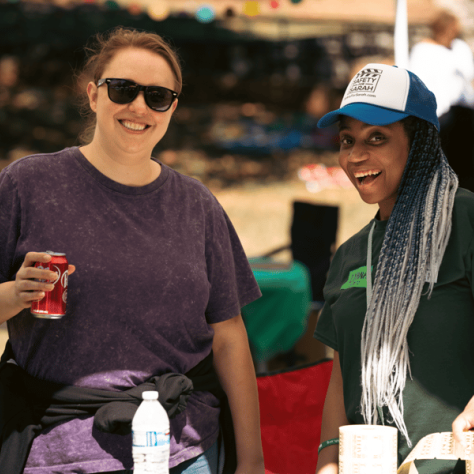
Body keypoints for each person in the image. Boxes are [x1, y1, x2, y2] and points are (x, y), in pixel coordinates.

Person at [0, 26, 265, 474]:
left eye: (158, 96)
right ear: (93, 95)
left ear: (172, 108)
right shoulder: (28, 185)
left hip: (186, 448)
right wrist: (13, 295)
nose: (139, 107)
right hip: (58, 450)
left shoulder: (197, 204)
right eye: (123, 89)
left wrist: (252, 460)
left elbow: (230, 335)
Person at [314, 62, 474, 474]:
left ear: (418, 143)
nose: (356, 155)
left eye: (377, 138)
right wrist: (328, 460)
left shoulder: (466, 220)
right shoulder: (350, 255)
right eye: (347, 140)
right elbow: (341, 370)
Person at [409, 9, 474, 191]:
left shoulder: (460, 48)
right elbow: (417, 86)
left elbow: (470, 78)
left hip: (464, 114)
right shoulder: (422, 51)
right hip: (439, 117)